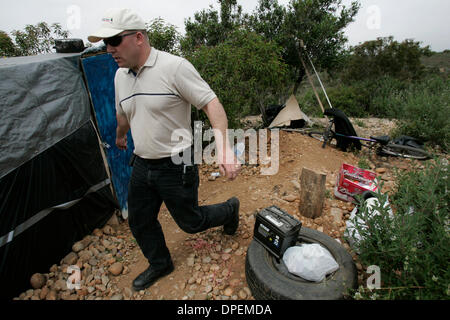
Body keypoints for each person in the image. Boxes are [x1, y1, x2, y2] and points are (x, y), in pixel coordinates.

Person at [88, 8, 241, 291]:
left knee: (191, 222)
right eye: (105, 43)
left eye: (114, 41)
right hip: (142, 164)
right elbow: (124, 114)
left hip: (177, 163)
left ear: (138, 37)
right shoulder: (120, 76)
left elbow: (212, 104)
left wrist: (224, 148)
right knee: (139, 219)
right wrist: (121, 136)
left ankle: (230, 209)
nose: (109, 49)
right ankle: (161, 263)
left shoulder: (174, 67)